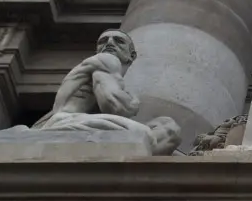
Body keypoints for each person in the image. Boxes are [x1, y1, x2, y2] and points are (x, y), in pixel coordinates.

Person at [31, 29, 182, 155]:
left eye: (118, 41)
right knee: (167, 130)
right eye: (103, 41)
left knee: (162, 128)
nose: (109, 43)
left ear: (132, 56)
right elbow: (114, 105)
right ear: (97, 50)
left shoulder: (99, 67)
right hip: (65, 122)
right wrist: (133, 102)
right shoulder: (106, 60)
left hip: (66, 121)